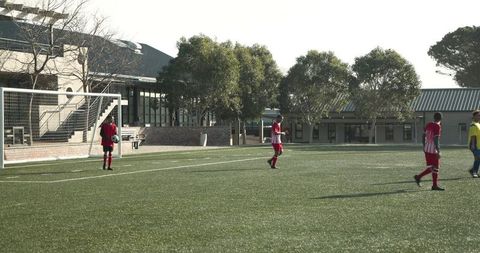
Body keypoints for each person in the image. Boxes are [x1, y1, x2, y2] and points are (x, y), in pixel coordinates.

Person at [414, 112, 444, 191]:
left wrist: (424, 146)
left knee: (432, 167)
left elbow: (423, 136)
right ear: (441, 119)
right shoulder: (437, 126)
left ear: (434, 118)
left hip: (427, 149)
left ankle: (420, 178)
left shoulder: (428, 124)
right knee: (435, 167)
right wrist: (438, 150)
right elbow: (436, 139)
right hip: (433, 150)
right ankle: (432, 184)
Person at [468, 110, 480, 178]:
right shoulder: (473, 125)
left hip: (479, 145)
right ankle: (474, 172)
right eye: (478, 115)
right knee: (478, 158)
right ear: (474, 116)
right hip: (474, 145)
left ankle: (473, 170)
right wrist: (472, 145)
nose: (479, 116)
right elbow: (473, 136)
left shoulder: (478, 124)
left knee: (478, 158)